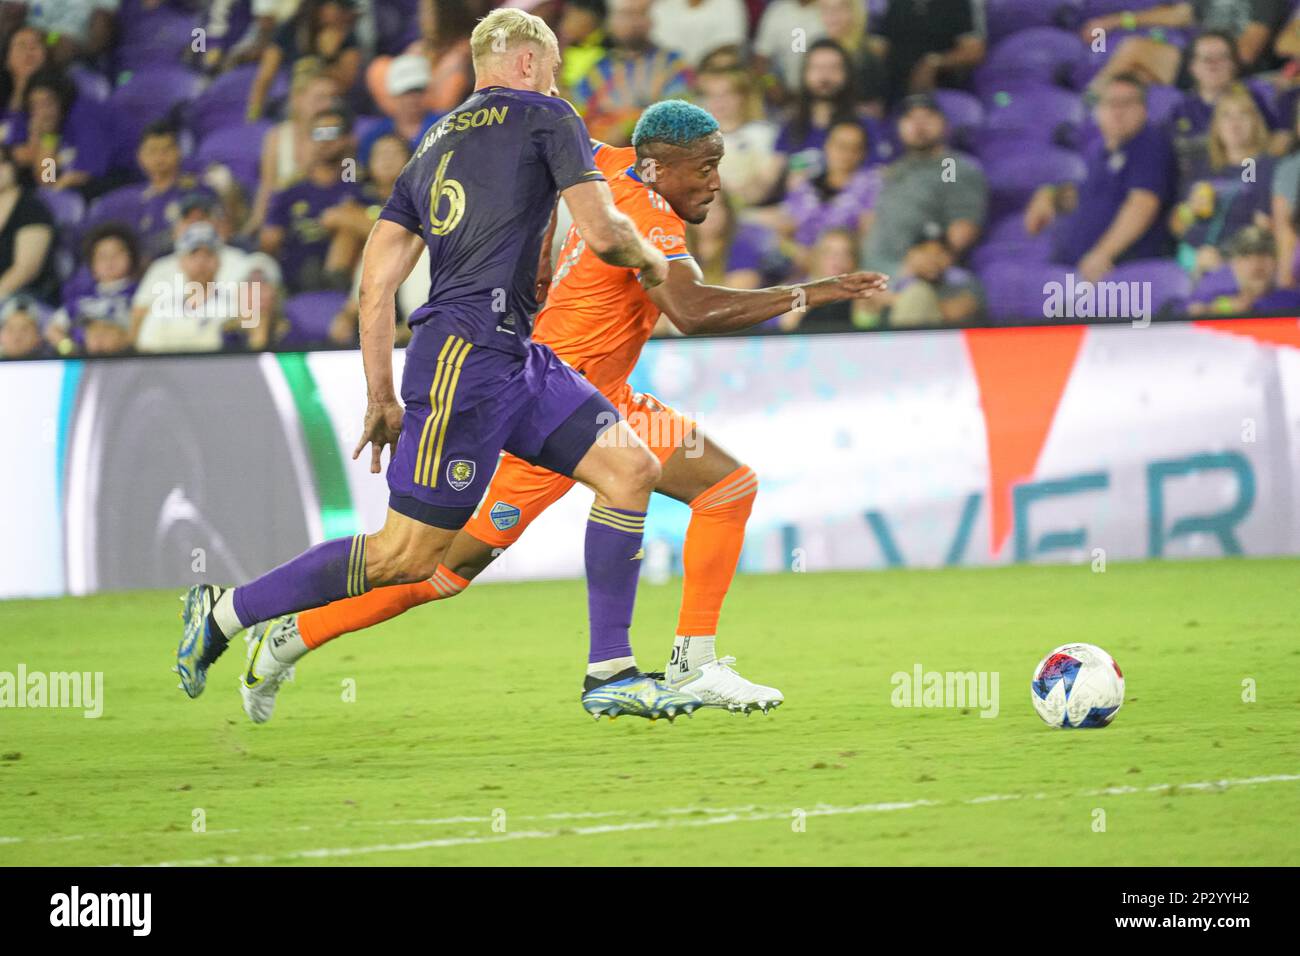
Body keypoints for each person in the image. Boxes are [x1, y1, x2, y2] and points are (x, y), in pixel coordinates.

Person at [235, 99, 888, 723]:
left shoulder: (612, 162)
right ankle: (288, 636)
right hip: (554, 407)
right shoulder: (651, 217)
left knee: (726, 488)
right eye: (707, 167)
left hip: (610, 398)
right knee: (442, 569)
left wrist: (540, 255)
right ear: (661, 167)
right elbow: (691, 312)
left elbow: (551, 149)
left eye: (719, 163)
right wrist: (816, 289)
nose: (719, 183)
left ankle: (694, 662)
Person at [174, 7, 700, 723]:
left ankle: (609, 671)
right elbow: (605, 232)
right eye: (552, 66)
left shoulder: (433, 141)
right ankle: (225, 612)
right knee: (406, 558)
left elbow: (377, 280)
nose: (556, 79)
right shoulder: (549, 115)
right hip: (466, 360)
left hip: (512, 355)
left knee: (629, 469)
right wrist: (653, 261)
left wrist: (381, 393)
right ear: (525, 63)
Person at [1026, 74, 1176, 281]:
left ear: (1143, 109)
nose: (1117, 111)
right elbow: (1083, 196)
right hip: (1072, 269)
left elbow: (1142, 204)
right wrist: (1050, 195)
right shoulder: (1097, 150)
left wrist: (1103, 253)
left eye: (1126, 103)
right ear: (1097, 112)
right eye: (1110, 103)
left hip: (1118, 272)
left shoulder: (1149, 143)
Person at [860, 93, 987, 280]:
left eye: (928, 117)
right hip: (874, 269)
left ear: (945, 124)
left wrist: (932, 261)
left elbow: (962, 227)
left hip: (917, 273)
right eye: (910, 118)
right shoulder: (896, 168)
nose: (919, 125)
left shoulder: (950, 166)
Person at [1169, 85, 1274, 278]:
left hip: (1234, 266)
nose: (1234, 124)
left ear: (1256, 123)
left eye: (1243, 115)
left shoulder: (1261, 166)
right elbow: (1176, 226)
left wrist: (1225, 257)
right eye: (1226, 116)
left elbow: (1263, 230)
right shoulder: (1202, 167)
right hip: (1187, 260)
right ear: (1216, 126)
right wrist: (1189, 210)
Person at [260, 103, 364, 293]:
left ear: (348, 139)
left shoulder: (359, 185)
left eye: (332, 133)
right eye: (319, 133)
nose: (325, 141)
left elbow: (384, 231)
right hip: (296, 278)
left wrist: (344, 218)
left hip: (351, 281)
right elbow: (269, 240)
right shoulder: (290, 191)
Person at [571, 0, 690, 145]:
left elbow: (681, 113)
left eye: (641, 13)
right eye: (625, 14)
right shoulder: (597, 69)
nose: (633, 22)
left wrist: (629, 125)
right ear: (610, 20)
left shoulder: (671, 64)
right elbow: (578, 117)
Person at [46, 223, 140, 356]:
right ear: (92, 266)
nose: (110, 261)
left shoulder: (140, 293)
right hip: (83, 359)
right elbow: (52, 330)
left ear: (132, 258)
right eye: (102, 256)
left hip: (124, 356)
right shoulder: (81, 298)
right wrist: (69, 349)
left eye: (117, 254)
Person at [1186, 224, 1300, 314]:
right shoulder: (1212, 297)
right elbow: (1186, 310)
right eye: (1247, 256)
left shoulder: (1293, 300)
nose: (1257, 264)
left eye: (1264, 255)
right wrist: (1214, 309)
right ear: (1233, 264)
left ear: (1277, 261)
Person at [357, 53, 440, 167]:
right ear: (394, 95)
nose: (413, 99)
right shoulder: (376, 134)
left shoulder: (446, 125)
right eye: (406, 92)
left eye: (418, 91)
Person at [0, 142, 56, 303]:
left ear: (13, 166)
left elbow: (26, 270)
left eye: (2, 162)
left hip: (22, 297)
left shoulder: (31, 209)